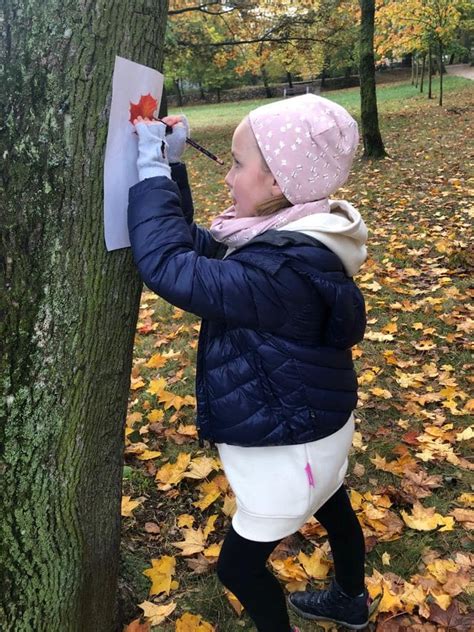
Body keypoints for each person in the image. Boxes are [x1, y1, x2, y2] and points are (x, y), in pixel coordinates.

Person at [128, 93, 369, 632]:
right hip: (316, 430)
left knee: (237, 568)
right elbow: (197, 248)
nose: (230, 176)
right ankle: (351, 600)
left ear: (279, 182)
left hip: (291, 453)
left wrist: (149, 174)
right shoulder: (294, 237)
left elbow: (170, 264)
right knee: (334, 502)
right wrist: (168, 166)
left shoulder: (279, 271)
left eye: (238, 164)